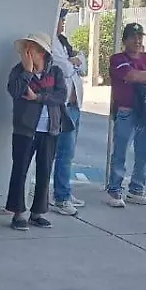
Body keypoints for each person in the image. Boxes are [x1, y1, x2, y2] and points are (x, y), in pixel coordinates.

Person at [5, 33, 74, 231]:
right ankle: (18, 213)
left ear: (41, 52)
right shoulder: (18, 71)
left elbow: (61, 96)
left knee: (44, 171)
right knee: (20, 170)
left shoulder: (55, 72)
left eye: (31, 50)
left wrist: (38, 97)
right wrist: (27, 72)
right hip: (24, 129)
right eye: (25, 50)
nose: (26, 54)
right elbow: (14, 91)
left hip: (49, 128)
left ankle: (38, 212)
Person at [106, 23, 146, 207]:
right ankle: (115, 191)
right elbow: (131, 76)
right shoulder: (118, 59)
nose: (137, 40)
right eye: (133, 37)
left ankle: (136, 190)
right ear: (125, 40)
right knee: (120, 152)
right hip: (126, 110)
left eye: (140, 37)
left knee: (145, 152)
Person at [51, 11, 87, 216]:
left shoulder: (63, 42)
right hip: (63, 106)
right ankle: (61, 196)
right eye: (60, 19)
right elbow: (63, 67)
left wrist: (76, 61)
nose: (63, 23)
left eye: (64, 19)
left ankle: (64, 190)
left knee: (69, 153)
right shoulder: (51, 43)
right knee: (63, 152)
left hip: (75, 105)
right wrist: (73, 62)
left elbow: (82, 64)